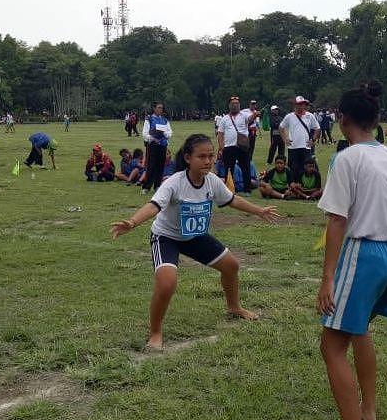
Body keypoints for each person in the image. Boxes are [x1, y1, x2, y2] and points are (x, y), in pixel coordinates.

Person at [110, 133, 281, 349]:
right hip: (166, 237)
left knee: (231, 266)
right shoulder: (174, 182)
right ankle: (155, 332)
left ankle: (234, 307)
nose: (208, 161)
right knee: (167, 282)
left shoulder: (212, 181)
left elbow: (231, 199)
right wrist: (133, 222)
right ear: (188, 158)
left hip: (194, 236)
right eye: (202, 156)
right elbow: (154, 205)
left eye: (211, 156)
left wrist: (259, 211)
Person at [314, 80, 387, 420]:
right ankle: (367, 410)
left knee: (332, 345)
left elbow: (337, 222)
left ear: (342, 119)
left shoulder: (347, 158)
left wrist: (327, 279)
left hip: (365, 255)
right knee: (361, 329)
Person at [217, 96, 256, 195]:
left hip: (242, 146)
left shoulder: (244, 115)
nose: (235, 105)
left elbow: (250, 120)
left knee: (245, 167)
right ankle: (229, 190)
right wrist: (221, 147)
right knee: (229, 169)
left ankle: (247, 190)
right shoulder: (224, 119)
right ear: (229, 105)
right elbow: (220, 134)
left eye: (237, 103)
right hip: (229, 147)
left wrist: (254, 115)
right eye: (233, 103)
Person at [280, 95, 320, 184]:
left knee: (306, 168)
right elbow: (281, 128)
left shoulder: (310, 116)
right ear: (295, 105)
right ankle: (294, 185)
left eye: (303, 104)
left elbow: (317, 128)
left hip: (306, 147)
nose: (302, 106)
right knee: (293, 168)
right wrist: (285, 139)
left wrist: (313, 140)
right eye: (300, 104)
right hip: (293, 147)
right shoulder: (289, 116)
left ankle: (304, 185)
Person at [142, 102, 172, 194]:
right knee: (151, 165)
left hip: (162, 145)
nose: (161, 110)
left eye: (162, 108)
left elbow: (169, 132)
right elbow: (145, 133)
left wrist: (165, 134)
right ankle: (146, 187)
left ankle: (157, 185)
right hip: (153, 145)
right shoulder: (149, 119)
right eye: (159, 108)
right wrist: (152, 138)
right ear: (154, 108)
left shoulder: (164, 120)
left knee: (160, 165)